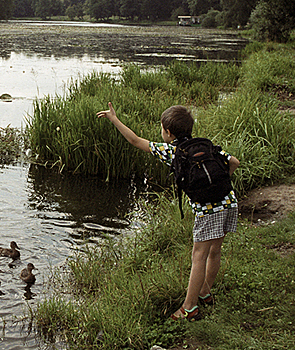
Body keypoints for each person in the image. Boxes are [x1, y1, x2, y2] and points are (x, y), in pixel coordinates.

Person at [96, 102, 240, 321]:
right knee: (215, 250)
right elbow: (234, 162)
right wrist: (219, 184)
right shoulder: (205, 145)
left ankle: (190, 307)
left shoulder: (172, 151)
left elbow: (135, 140)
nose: (161, 131)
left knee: (199, 255)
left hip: (208, 209)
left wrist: (114, 119)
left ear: (169, 133)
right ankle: (205, 291)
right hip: (229, 202)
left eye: (162, 128)